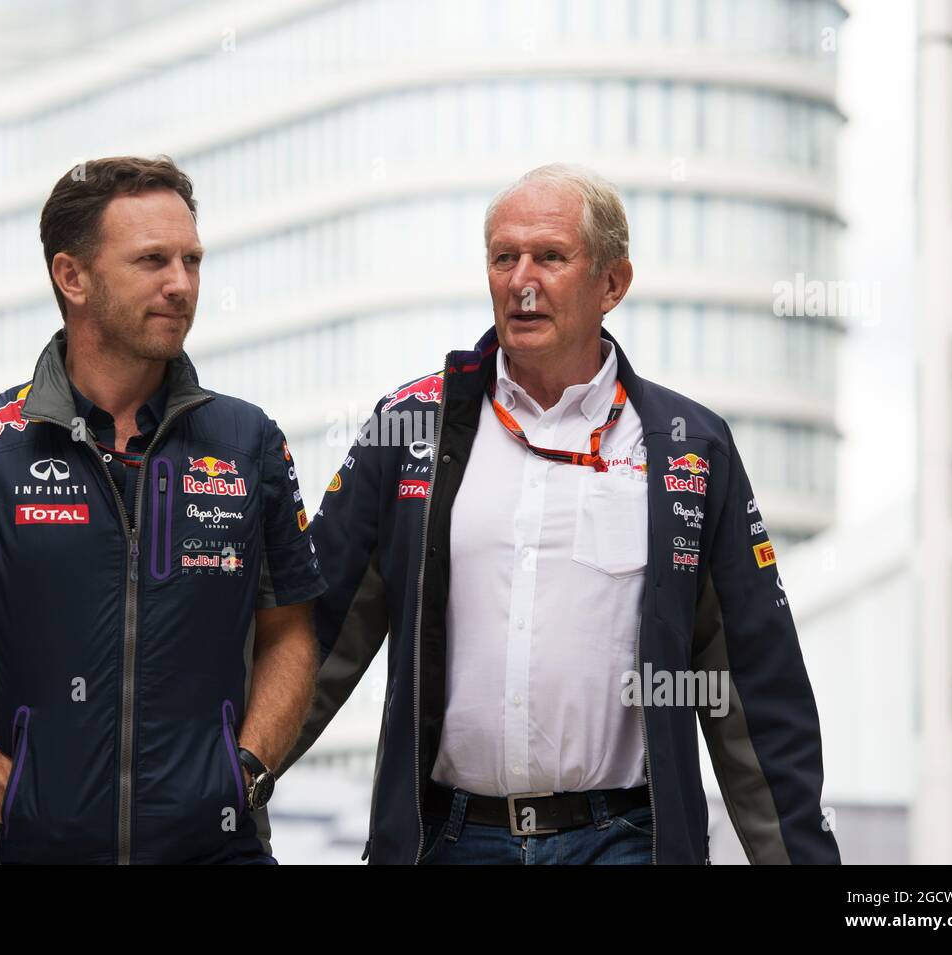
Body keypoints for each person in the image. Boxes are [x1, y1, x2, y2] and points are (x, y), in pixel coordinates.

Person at [285, 163, 840, 865]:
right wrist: (226, 781)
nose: (522, 279)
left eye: (550, 257)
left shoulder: (687, 447)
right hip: (449, 840)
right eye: (503, 257)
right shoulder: (412, 427)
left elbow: (755, 685)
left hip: (624, 842)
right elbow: (312, 633)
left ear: (612, 283)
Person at [0, 156, 325, 864]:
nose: (181, 284)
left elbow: (291, 631)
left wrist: (248, 770)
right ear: (71, 277)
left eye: (191, 260)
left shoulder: (248, 442)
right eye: (152, 261)